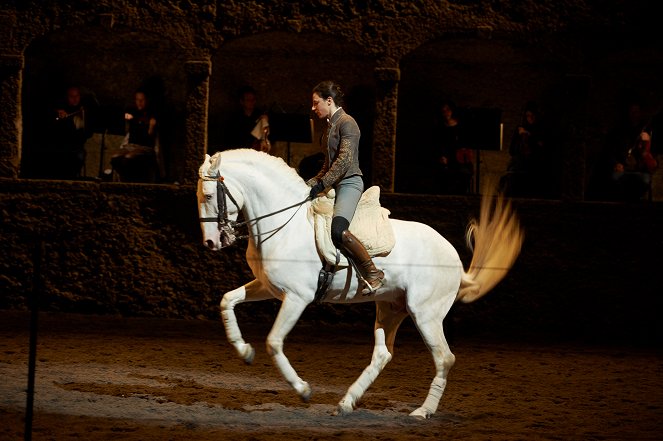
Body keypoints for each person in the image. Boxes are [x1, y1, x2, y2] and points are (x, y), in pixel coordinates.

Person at [307, 80, 384, 294]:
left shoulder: (348, 123)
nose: (313, 108)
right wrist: (309, 184)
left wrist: (322, 183)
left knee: (338, 229)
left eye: (316, 103)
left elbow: (343, 162)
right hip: (334, 181)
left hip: (350, 182)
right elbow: (328, 164)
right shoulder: (331, 126)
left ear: (329, 100)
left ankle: (372, 272)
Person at [596, 102, 657, 201]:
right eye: (632, 112)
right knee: (616, 179)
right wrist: (616, 163)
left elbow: (652, 163)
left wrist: (645, 146)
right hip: (623, 169)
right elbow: (610, 151)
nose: (634, 114)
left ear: (640, 113)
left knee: (644, 180)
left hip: (639, 171)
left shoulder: (646, 133)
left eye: (636, 112)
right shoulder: (619, 132)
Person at [110, 89, 162, 183]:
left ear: (146, 100)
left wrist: (151, 125)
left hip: (144, 147)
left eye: (142, 100)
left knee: (128, 158)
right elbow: (125, 118)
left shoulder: (151, 114)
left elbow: (150, 135)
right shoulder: (133, 112)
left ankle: (129, 181)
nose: (140, 102)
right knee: (115, 157)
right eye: (137, 100)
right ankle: (123, 179)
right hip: (130, 146)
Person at [501, 102, 548, 197]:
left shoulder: (540, 129)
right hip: (519, 163)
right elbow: (511, 150)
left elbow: (542, 146)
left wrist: (529, 136)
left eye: (532, 116)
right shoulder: (520, 129)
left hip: (534, 165)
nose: (530, 118)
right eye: (528, 116)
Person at [431, 100, 473, 194]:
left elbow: (467, 140)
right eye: (443, 110)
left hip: (460, 157)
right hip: (447, 156)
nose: (446, 112)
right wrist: (441, 156)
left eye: (448, 109)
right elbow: (438, 144)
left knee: (465, 173)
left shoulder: (461, 125)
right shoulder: (439, 127)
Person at [51, 86, 92, 179]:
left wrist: (84, 118)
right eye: (71, 96)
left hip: (77, 147)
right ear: (67, 97)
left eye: (77, 96)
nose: (75, 99)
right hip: (63, 145)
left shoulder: (84, 109)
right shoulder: (63, 109)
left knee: (79, 157)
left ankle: (75, 178)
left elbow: (87, 133)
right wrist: (57, 113)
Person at [224, 85, 270, 152]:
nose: (252, 102)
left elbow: (265, 135)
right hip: (240, 151)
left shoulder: (260, 116)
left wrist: (266, 123)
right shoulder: (236, 118)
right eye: (248, 100)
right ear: (241, 102)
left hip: (257, 152)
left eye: (253, 99)